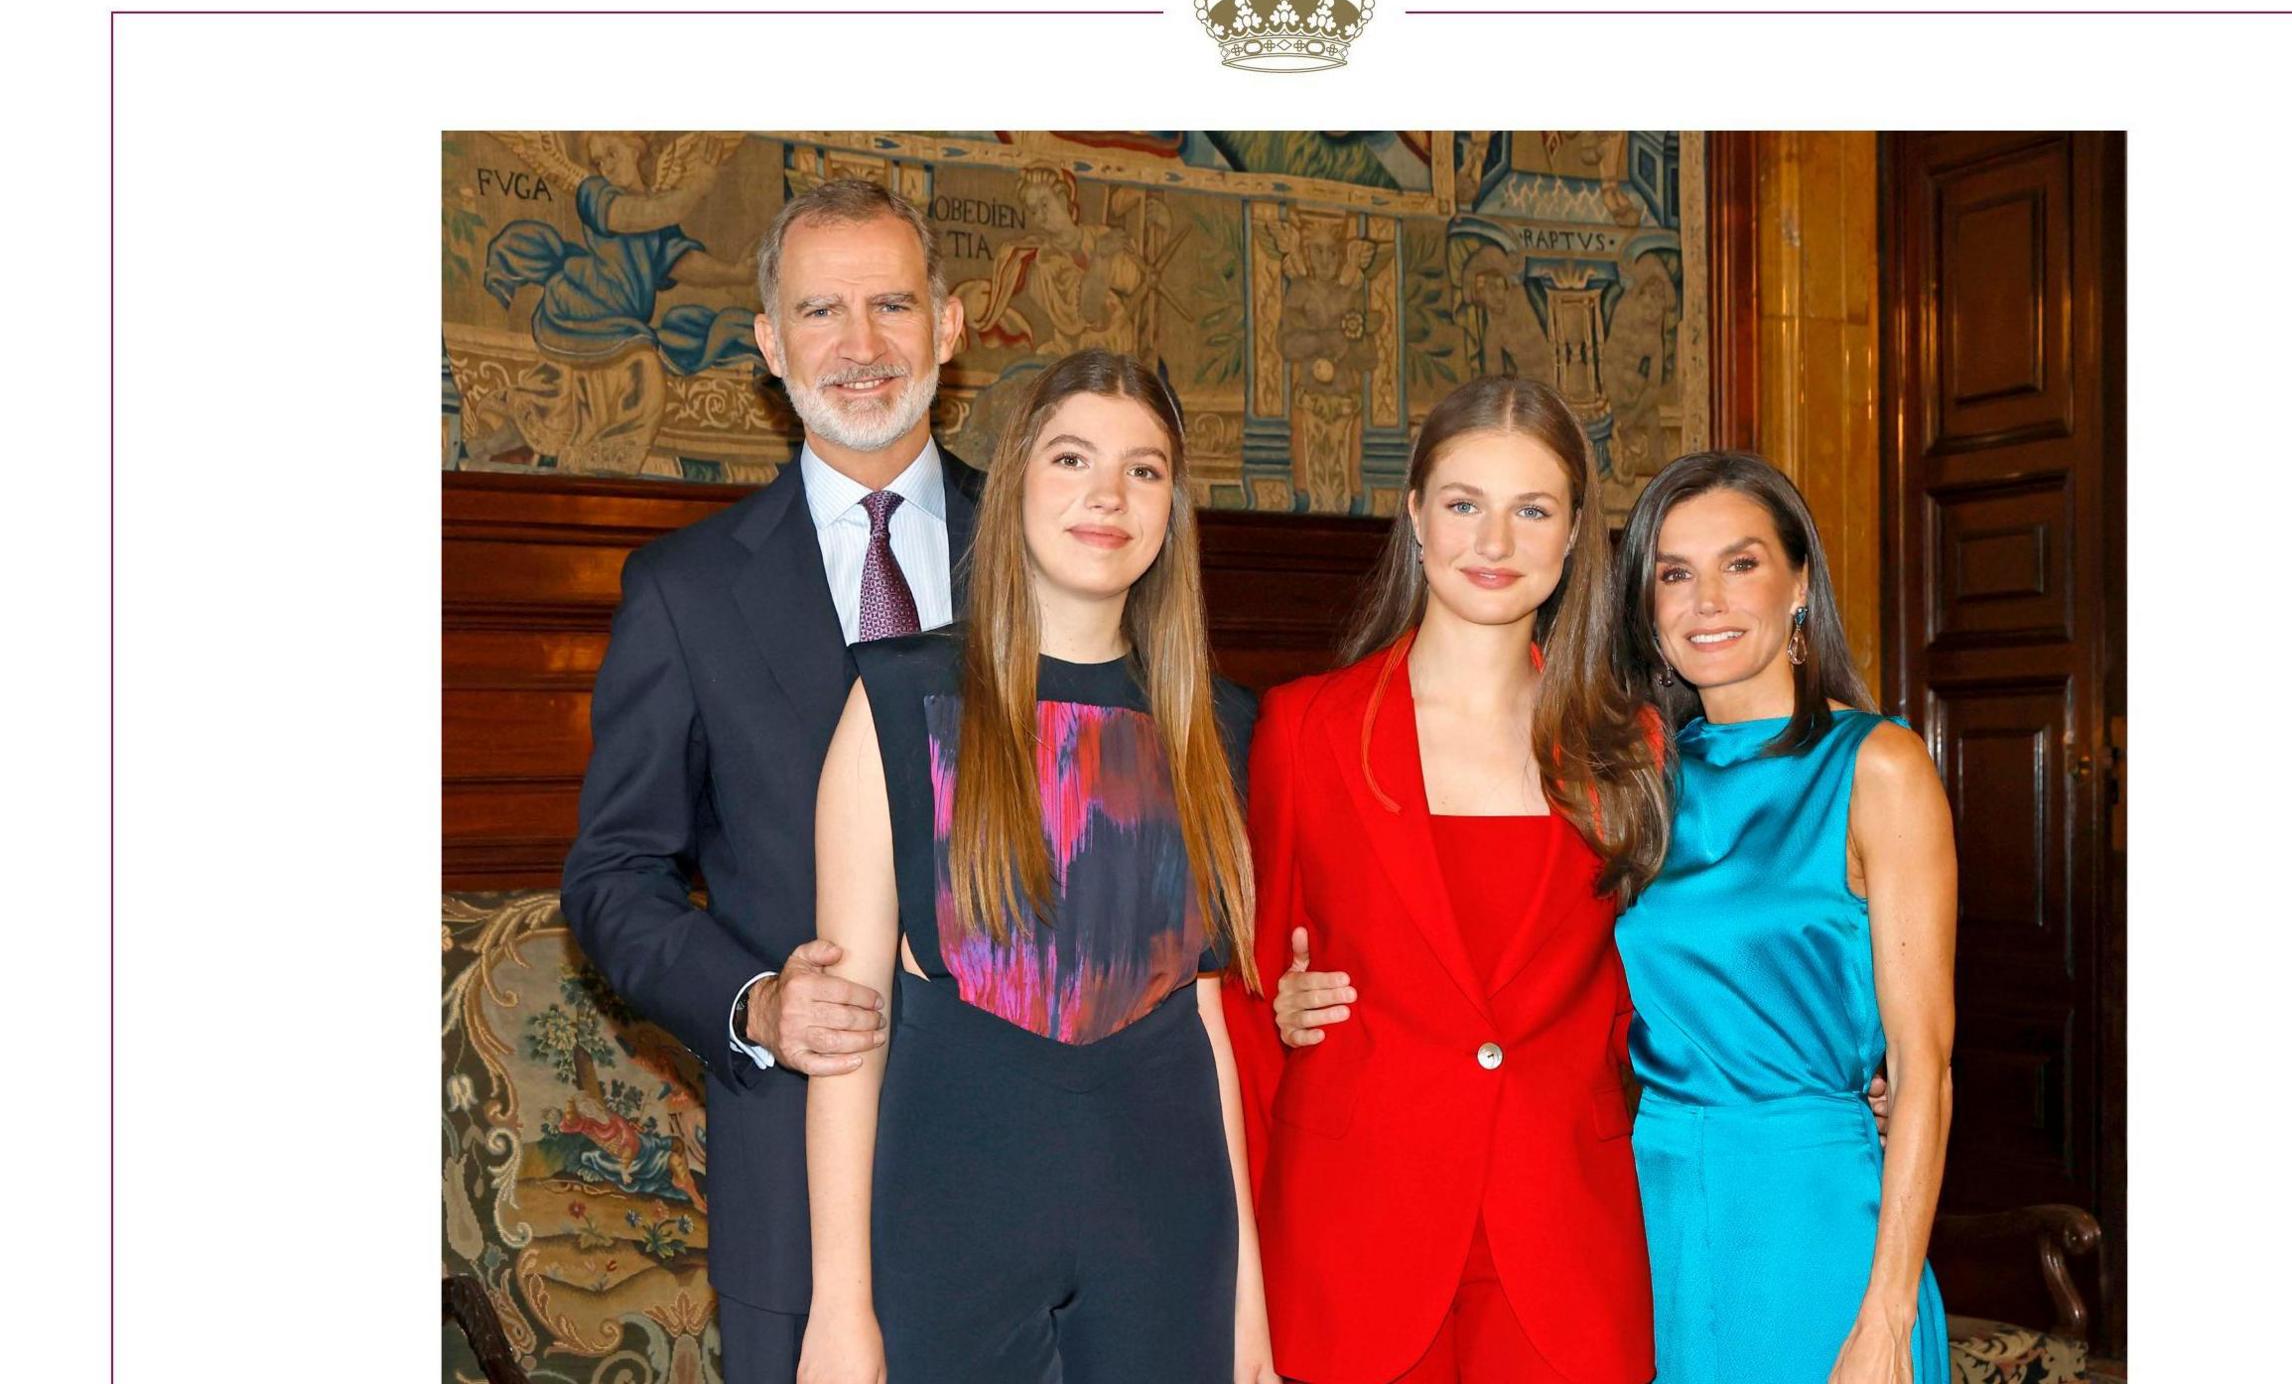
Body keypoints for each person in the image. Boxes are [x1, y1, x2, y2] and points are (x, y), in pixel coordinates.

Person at [558, 176, 973, 1381]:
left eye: (892, 305)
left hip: (1043, 1163)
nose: (860, 346)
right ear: (767, 344)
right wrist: (753, 1004)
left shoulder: (1048, 548)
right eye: (821, 311)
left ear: (948, 325)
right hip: (796, 1192)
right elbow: (613, 875)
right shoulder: (683, 593)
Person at [800, 350, 1277, 1384]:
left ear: (1171, 510)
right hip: (949, 1219)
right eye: (1072, 459)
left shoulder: (1217, 727)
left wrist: (1250, 1317)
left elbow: (1205, 1027)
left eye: (1144, 471)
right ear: (1017, 482)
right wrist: (838, 1308)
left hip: (1167, 1226)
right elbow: (848, 1022)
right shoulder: (897, 697)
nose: (1108, 495)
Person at [1226, 376, 1666, 1384]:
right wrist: (1242, 1282)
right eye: (1465, 504)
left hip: (1563, 1247)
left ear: (1569, 540)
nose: (1495, 542)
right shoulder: (1305, 731)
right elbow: (1250, 1008)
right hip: (1351, 1245)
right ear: (1416, 516)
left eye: (1532, 510)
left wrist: (1838, 1068)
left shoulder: (1630, 747)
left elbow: (1675, 974)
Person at [1611, 451, 1957, 1383]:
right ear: (1648, 606)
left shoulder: (1877, 767)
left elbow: (1923, 1072)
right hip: (1651, 1209)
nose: (1706, 601)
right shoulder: (1635, 783)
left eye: (1741, 564)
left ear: (1800, 584)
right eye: (1675, 574)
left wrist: (1883, 1320)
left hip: (1812, 1223)